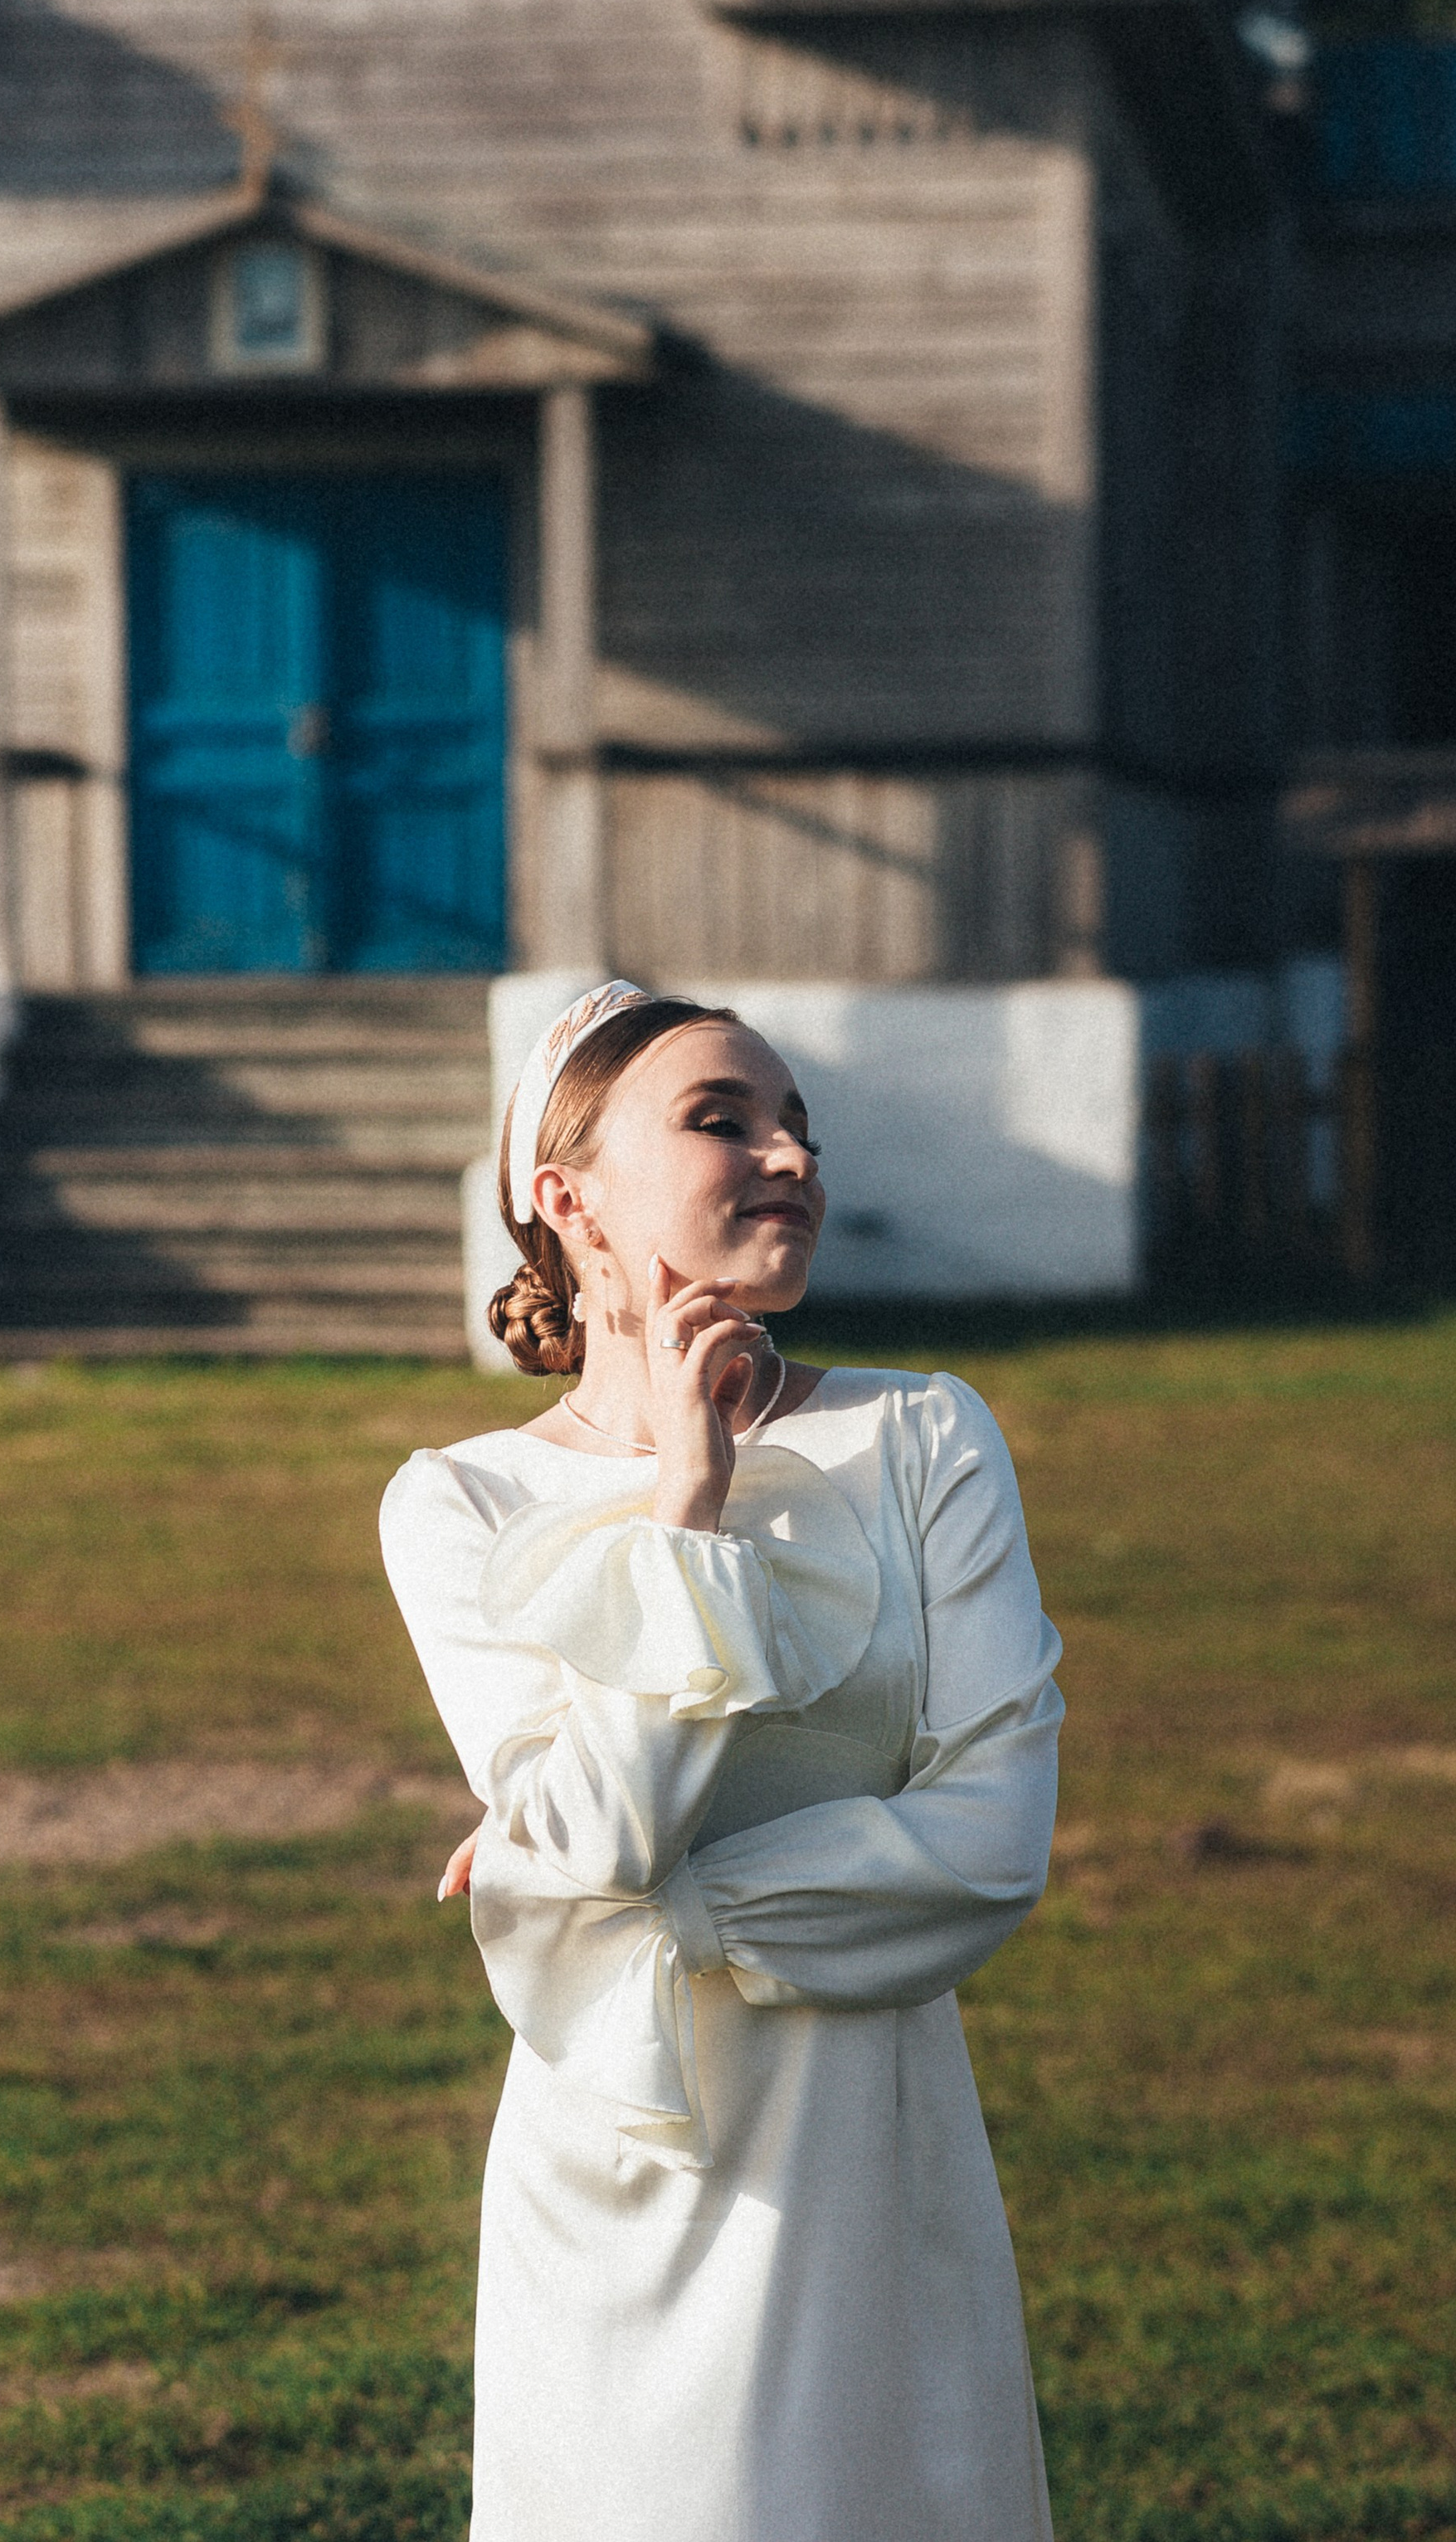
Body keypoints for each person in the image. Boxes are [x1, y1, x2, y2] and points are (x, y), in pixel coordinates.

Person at [379, 981, 1063, 2542]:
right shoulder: (456, 1506)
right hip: (620, 2160)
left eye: (800, 1127)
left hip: (871, 2163)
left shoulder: (925, 1441)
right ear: (572, 1196)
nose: (791, 1157)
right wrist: (686, 1508)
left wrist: (664, 1912)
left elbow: (987, 1843)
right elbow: (601, 1837)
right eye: (723, 1120)